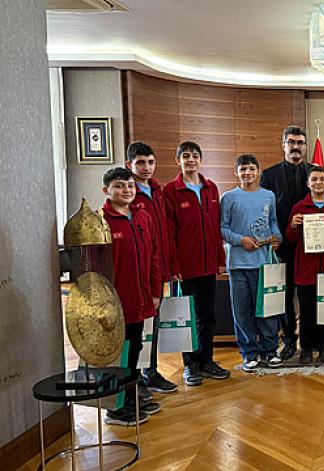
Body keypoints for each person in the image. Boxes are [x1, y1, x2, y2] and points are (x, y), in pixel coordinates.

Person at [163, 141, 230, 386]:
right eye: (186, 156)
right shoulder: (170, 190)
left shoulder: (211, 188)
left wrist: (220, 260)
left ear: (201, 160)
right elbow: (168, 233)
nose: (191, 160)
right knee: (186, 317)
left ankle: (206, 360)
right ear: (178, 160)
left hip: (208, 266)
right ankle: (190, 364)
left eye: (195, 156)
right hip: (184, 269)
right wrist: (173, 267)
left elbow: (216, 229)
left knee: (208, 316)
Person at [101, 167, 162, 426]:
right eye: (119, 186)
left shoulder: (143, 216)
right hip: (115, 301)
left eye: (129, 186)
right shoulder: (100, 221)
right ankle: (115, 407)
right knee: (119, 353)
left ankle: (130, 395)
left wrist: (156, 290)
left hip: (141, 297)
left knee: (136, 348)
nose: (126, 190)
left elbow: (155, 254)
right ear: (106, 190)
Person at [220, 154, 284, 372]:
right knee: (242, 310)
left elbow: (273, 222)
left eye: (251, 169)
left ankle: (270, 350)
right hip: (238, 264)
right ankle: (249, 352)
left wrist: (277, 237)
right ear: (236, 172)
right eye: (243, 169)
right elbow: (222, 228)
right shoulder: (228, 198)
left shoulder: (268, 196)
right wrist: (240, 240)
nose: (247, 173)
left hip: (264, 263)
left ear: (259, 172)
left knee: (268, 308)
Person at [125, 142, 178, 395]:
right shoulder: (128, 192)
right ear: (129, 165)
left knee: (153, 323)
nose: (146, 168)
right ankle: (133, 379)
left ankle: (151, 372)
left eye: (150, 162)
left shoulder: (158, 191)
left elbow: (166, 232)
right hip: (137, 273)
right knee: (137, 328)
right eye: (140, 163)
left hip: (158, 270)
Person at [286, 166, 324, 364]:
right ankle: (306, 347)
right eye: (314, 179)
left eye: (322, 179)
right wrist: (293, 225)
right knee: (306, 310)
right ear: (308, 183)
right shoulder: (299, 208)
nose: (318, 183)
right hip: (305, 268)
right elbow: (290, 238)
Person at [261, 126, 313, 360]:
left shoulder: (315, 172)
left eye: (300, 142)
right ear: (283, 145)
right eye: (291, 142)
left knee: (309, 296)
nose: (295, 147)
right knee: (285, 297)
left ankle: (310, 342)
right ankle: (289, 341)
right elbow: (265, 212)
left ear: (305, 146)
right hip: (281, 247)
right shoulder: (269, 175)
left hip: (311, 249)